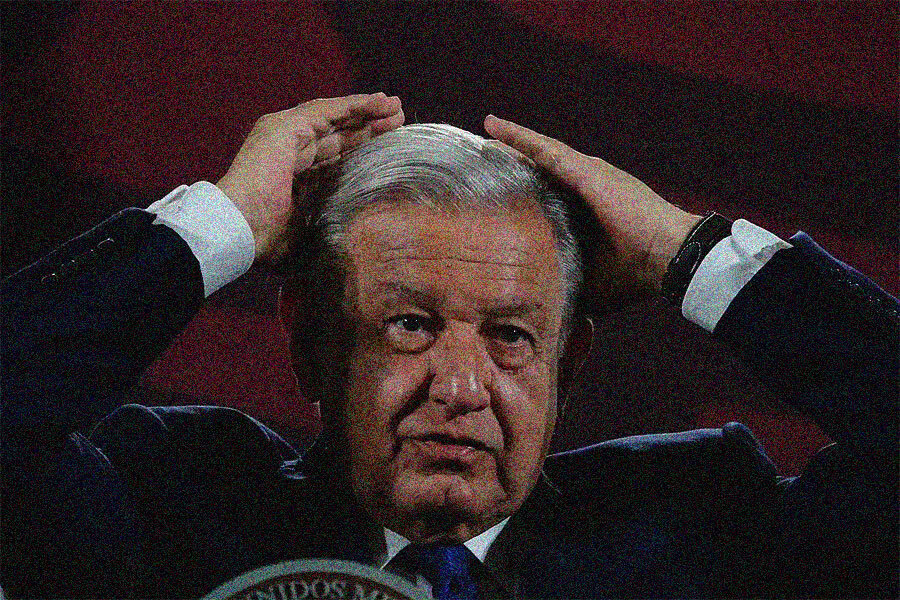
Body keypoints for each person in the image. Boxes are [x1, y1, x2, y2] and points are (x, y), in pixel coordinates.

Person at [1, 92, 896, 599]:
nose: (461, 388)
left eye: (510, 336)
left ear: (568, 365)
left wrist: (686, 252)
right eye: (411, 326)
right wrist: (222, 222)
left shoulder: (699, 527)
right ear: (309, 345)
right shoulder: (171, 506)